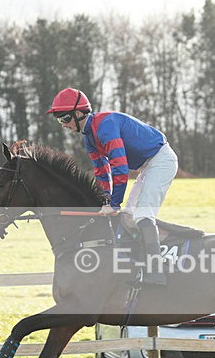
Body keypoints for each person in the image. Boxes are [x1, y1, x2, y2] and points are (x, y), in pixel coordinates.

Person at [47, 87, 178, 285]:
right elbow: (101, 171)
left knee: (142, 215)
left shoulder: (105, 126)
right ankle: (139, 263)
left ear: (79, 113)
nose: (63, 125)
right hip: (147, 166)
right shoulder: (89, 137)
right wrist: (104, 200)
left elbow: (120, 167)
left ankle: (156, 272)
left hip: (161, 160)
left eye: (64, 118)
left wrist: (114, 204)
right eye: (59, 120)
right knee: (129, 217)